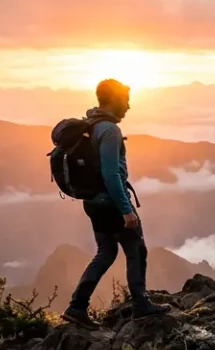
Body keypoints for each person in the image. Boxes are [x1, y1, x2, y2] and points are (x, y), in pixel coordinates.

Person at [61, 79, 170, 328]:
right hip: (111, 203)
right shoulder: (109, 130)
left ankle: (76, 306)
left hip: (93, 202)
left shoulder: (91, 125)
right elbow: (111, 174)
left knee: (106, 252)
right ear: (112, 100)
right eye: (125, 100)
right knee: (136, 250)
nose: (128, 106)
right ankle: (141, 306)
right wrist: (126, 210)